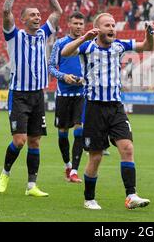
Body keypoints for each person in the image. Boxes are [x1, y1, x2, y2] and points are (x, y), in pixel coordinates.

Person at [60, 13, 154, 210]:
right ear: (97, 29)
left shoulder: (120, 45)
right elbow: (65, 53)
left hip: (116, 107)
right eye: (107, 25)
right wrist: (83, 38)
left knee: (127, 148)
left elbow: (147, 47)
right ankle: (89, 198)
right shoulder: (88, 46)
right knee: (96, 156)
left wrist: (150, 34)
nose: (112, 28)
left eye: (113, 24)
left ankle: (131, 195)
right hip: (94, 107)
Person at [0, 0, 63, 197]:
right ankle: (5, 172)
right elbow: (5, 11)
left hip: (38, 95)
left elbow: (57, 12)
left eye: (38, 15)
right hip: (19, 95)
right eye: (32, 15)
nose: (37, 17)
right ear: (23, 19)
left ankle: (31, 185)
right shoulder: (14, 36)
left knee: (35, 141)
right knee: (20, 140)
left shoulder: (43, 34)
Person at [48, 12, 86, 183]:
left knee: (79, 130)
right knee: (63, 133)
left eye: (81, 23)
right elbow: (50, 66)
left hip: (81, 94)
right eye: (75, 23)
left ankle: (75, 171)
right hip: (63, 94)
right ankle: (68, 165)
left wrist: (86, 78)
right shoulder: (60, 43)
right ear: (69, 24)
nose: (78, 26)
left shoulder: (88, 43)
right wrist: (63, 76)